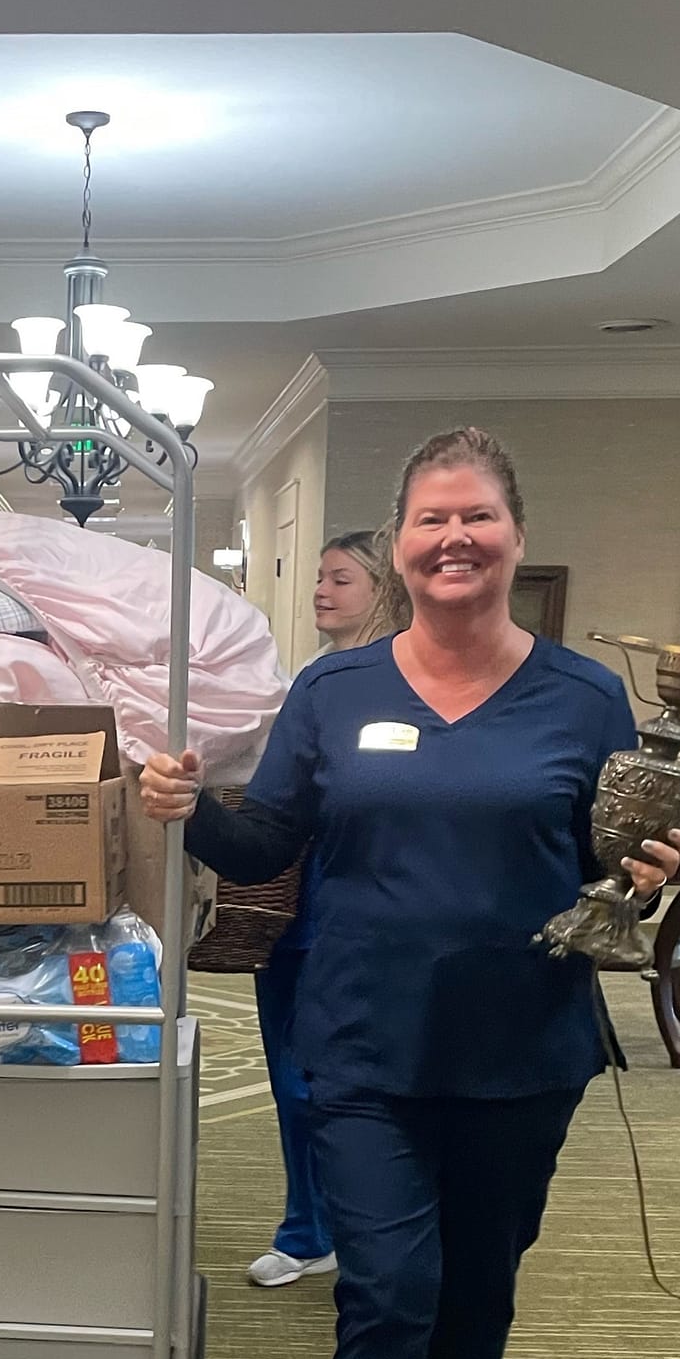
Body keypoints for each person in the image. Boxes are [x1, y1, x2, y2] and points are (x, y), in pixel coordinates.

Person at [142, 430, 680, 1359]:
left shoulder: (584, 697)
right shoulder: (334, 695)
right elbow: (263, 838)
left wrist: (648, 875)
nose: (454, 539)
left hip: (523, 1046)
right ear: (400, 542)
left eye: (478, 517)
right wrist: (188, 811)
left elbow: (610, 864)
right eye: (432, 518)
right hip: (362, 1044)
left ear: (511, 534)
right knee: (387, 1292)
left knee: (481, 1283)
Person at [249, 529, 398, 1288]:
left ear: (382, 586)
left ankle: (363, 1231)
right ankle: (310, 1229)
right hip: (287, 905)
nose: (320, 590)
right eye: (318, 578)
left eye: (340, 578)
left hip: (367, 913)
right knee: (291, 1076)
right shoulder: (310, 678)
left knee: (355, 1085)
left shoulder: (399, 680)